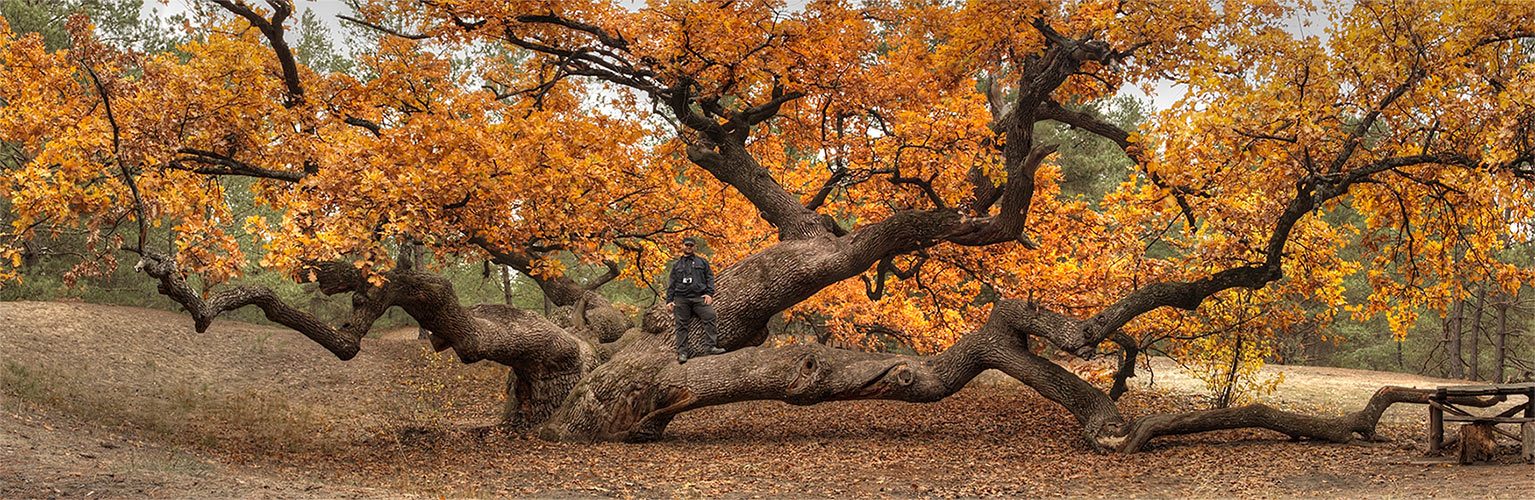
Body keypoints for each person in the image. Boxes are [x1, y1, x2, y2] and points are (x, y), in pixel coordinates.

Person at [666, 237, 723, 364]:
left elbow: (710, 278)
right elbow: (672, 284)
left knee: (710, 315)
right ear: (682, 246)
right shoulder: (677, 265)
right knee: (681, 325)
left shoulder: (702, 262)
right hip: (681, 299)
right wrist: (669, 300)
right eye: (686, 245)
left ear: (694, 247)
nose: (689, 247)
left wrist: (709, 293)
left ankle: (710, 347)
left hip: (698, 297)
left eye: (691, 245)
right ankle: (682, 353)